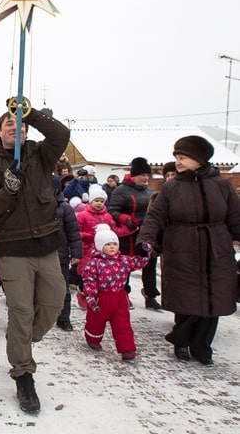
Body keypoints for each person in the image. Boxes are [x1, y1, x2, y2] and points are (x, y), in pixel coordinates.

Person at [0, 107, 70, 413]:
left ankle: (21, 338)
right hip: (14, 248)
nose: (14, 127)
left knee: (55, 300)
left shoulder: (41, 155)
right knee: (21, 309)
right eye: (8, 123)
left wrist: (29, 114)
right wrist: (9, 189)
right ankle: (23, 373)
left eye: (19, 124)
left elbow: (61, 134)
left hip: (45, 242)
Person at [137, 136, 240, 366]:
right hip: (182, 248)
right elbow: (155, 216)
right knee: (187, 298)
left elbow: (235, 218)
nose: (178, 162)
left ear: (199, 159)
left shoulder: (222, 185)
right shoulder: (171, 188)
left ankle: (202, 346)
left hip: (217, 249)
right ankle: (181, 341)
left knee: (214, 299)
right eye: (176, 157)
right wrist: (145, 239)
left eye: (182, 157)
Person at [82, 224, 151, 361]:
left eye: (114, 243)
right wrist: (91, 297)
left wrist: (145, 252)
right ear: (100, 246)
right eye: (108, 244)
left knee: (122, 323)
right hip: (102, 297)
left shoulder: (124, 260)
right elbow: (89, 280)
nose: (112, 247)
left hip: (120, 297)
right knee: (96, 321)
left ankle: (127, 349)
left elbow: (137, 263)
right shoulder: (95, 263)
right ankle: (93, 338)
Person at [107, 157, 159, 310]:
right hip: (128, 236)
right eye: (142, 175)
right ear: (133, 175)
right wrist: (126, 219)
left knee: (150, 265)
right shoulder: (121, 190)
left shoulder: (151, 192)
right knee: (126, 266)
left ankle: (150, 296)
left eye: (147, 175)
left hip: (148, 234)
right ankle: (124, 294)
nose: (145, 178)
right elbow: (112, 210)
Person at [55, 182, 82, 332]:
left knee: (63, 289)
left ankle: (64, 318)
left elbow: (74, 233)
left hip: (61, 255)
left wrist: (76, 253)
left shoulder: (65, 208)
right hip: (40, 254)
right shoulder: (36, 207)